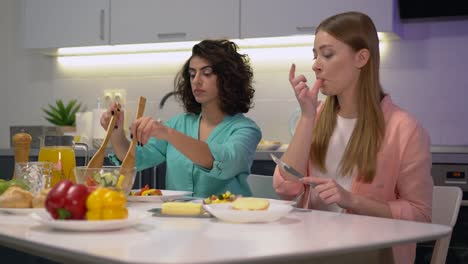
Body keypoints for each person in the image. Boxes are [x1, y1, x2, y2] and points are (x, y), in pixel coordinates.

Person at [273, 12, 433, 263]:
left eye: (327, 54)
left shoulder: (405, 128)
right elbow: (286, 188)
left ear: (361, 58)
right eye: (315, 55)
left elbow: (421, 215)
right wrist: (306, 117)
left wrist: (353, 201)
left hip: (370, 255)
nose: (316, 64)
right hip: (311, 250)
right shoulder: (315, 116)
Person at [101, 39, 262, 198]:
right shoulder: (179, 123)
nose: (196, 81)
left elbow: (223, 162)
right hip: (177, 220)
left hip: (228, 221)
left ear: (228, 79)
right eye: (192, 74)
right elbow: (136, 160)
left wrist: (168, 133)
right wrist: (116, 132)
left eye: (206, 73)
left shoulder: (246, 130)